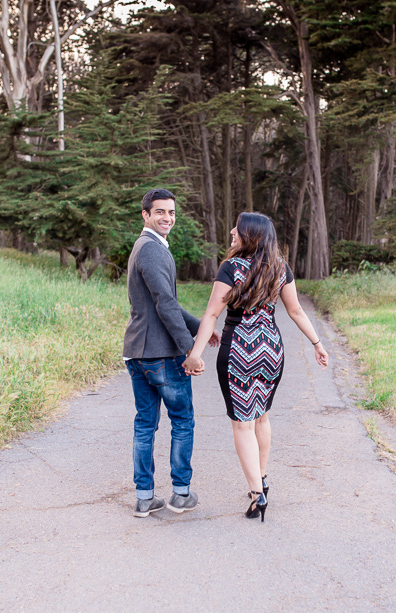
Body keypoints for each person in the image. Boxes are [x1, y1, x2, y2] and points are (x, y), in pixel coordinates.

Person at [183, 212, 328, 522]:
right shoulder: (280, 268)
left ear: (249, 235)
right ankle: (261, 479)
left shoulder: (230, 268)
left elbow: (211, 315)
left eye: (238, 227)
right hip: (271, 349)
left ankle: (256, 494)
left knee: (242, 424)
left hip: (239, 350)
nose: (233, 231)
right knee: (261, 417)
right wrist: (317, 344)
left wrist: (196, 354)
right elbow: (296, 311)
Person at [123, 188, 219, 518]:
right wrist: (189, 350)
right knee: (182, 421)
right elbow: (165, 305)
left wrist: (198, 328)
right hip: (160, 354)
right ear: (145, 215)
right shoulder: (151, 250)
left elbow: (166, 303)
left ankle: (145, 498)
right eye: (160, 212)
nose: (167, 218)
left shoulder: (147, 248)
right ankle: (180, 494)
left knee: (145, 425)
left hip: (138, 353)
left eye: (172, 213)